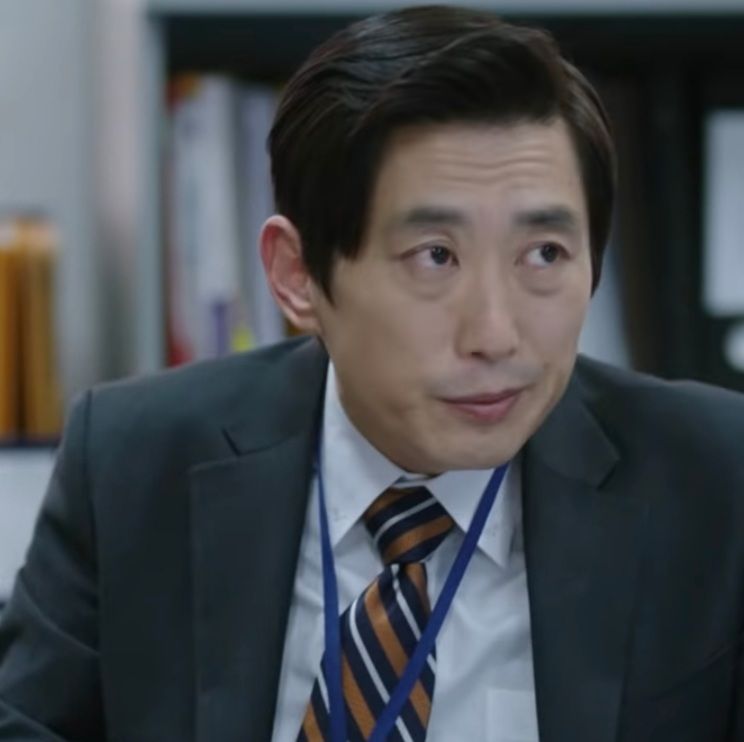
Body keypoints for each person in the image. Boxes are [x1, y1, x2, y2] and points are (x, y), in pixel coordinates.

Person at [1, 5, 742, 741]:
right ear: (297, 275)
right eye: (435, 257)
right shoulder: (134, 463)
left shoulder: (716, 480)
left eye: (544, 254)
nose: (495, 334)